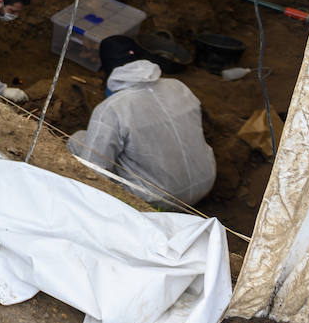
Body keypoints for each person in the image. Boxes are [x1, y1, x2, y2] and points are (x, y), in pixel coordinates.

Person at [69, 36, 217, 208]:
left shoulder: (111, 109)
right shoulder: (179, 87)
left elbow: (93, 169)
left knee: (77, 140)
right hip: (206, 180)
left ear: (106, 69)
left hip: (160, 199)